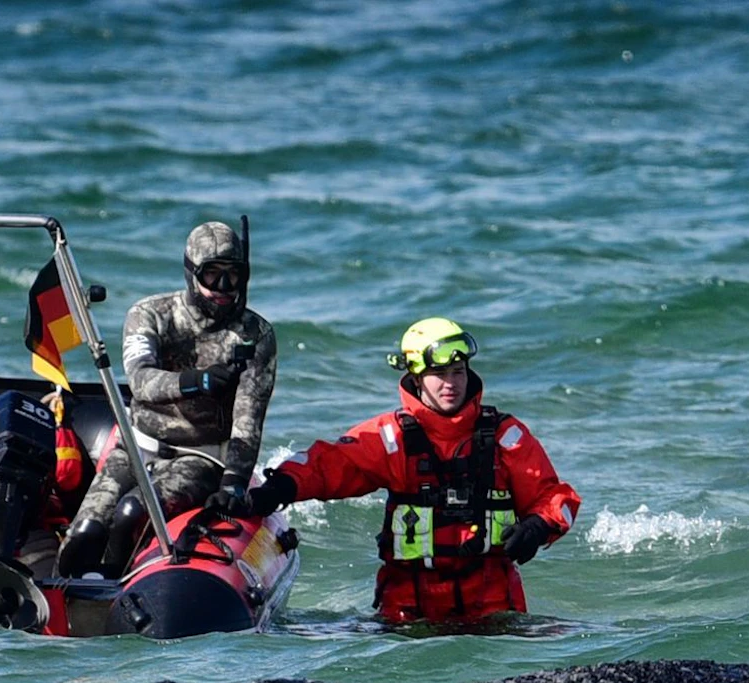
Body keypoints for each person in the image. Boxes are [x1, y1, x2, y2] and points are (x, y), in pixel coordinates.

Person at [231, 317, 579, 624]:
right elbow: (328, 466)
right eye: (439, 374)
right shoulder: (390, 438)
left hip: (495, 611)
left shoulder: (505, 437)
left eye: (458, 372)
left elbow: (556, 498)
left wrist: (538, 526)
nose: (451, 383)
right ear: (416, 376)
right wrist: (277, 489)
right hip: (408, 616)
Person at [57, 220, 276, 578]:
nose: (223, 288)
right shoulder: (150, 315)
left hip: (201, 458)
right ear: (192, 274)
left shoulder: (255, 335)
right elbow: (140, 381)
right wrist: (197, 381)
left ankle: (118, 595)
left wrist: (234, 481)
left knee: (131, 515)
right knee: (85, 533)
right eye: (212, 275)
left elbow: (248, 415)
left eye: (233, 275)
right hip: (135, 450)